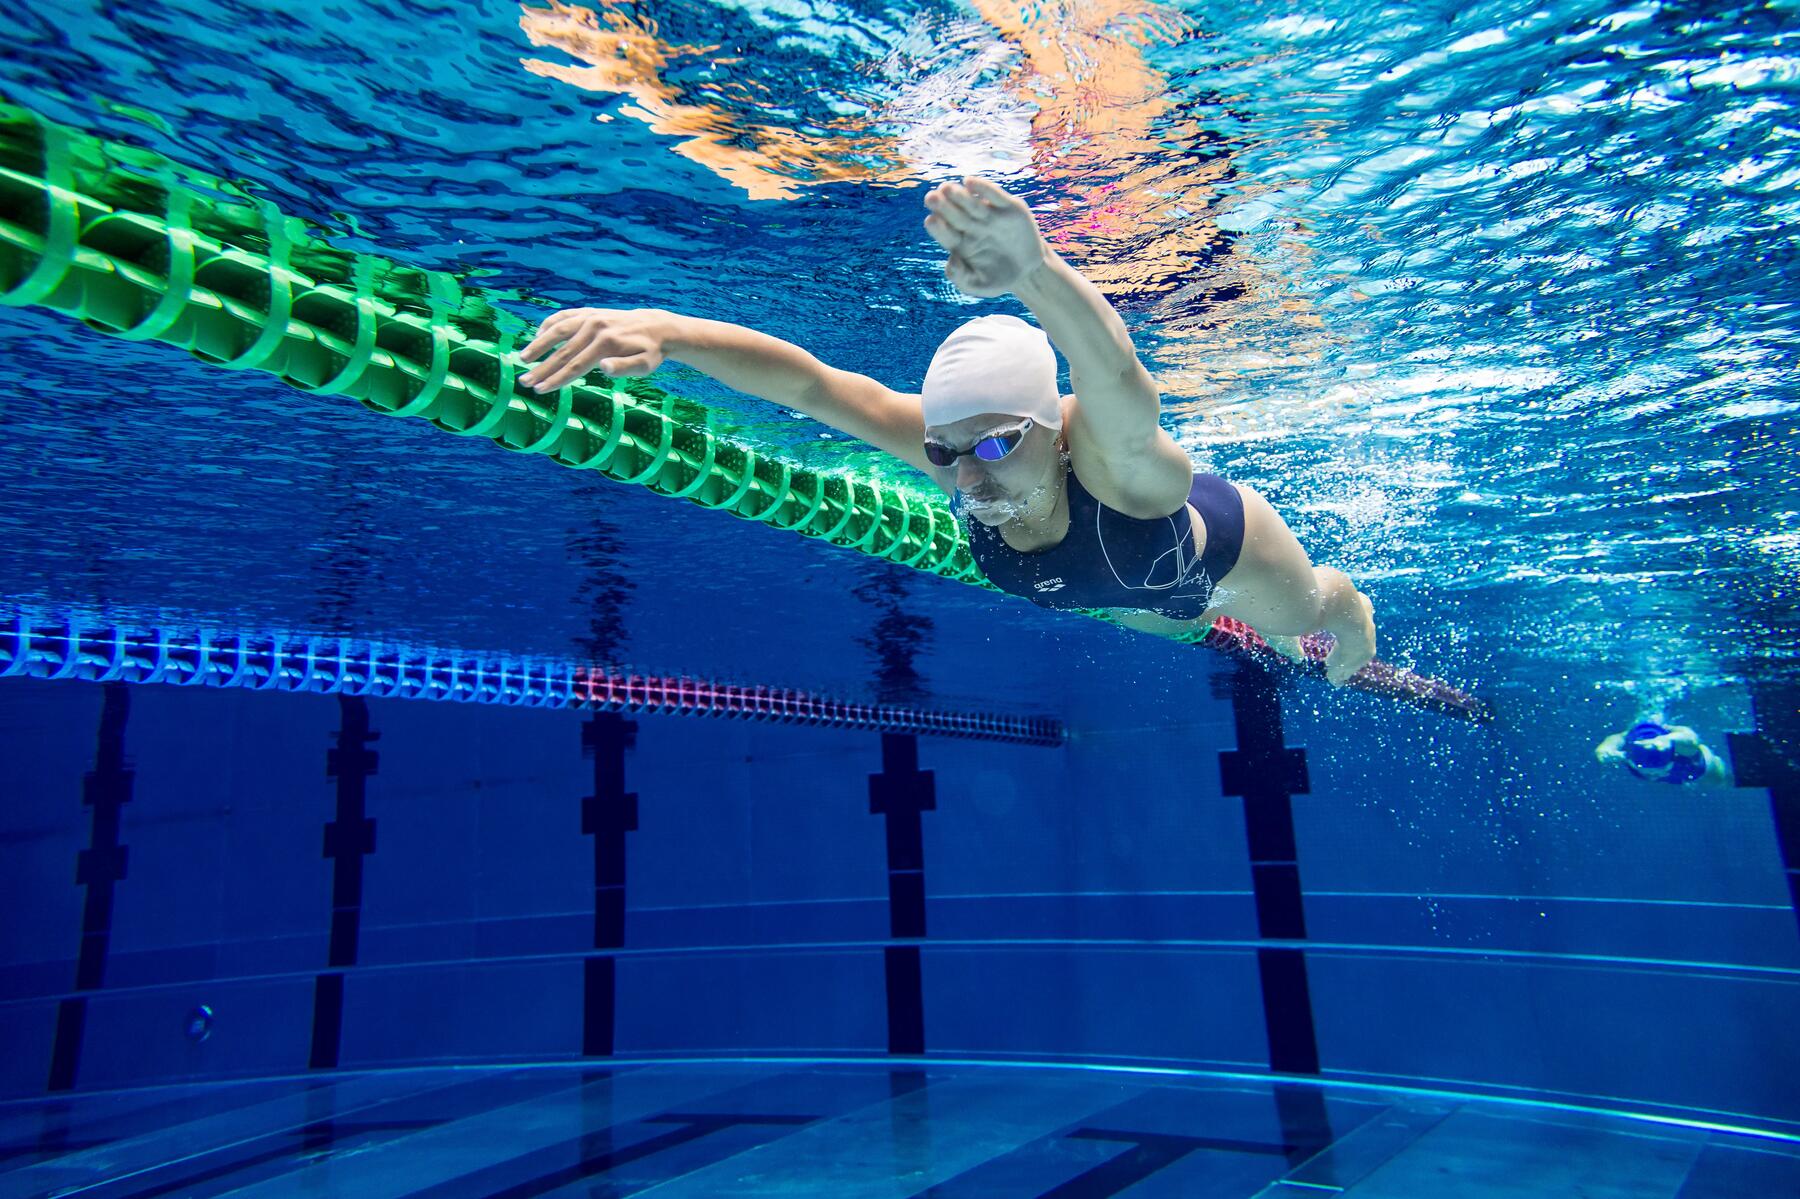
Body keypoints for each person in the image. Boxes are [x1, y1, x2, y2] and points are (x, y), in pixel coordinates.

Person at [518, 175, 1378, 684]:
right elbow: (814, 385)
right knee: (1176, 623)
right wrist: (669, 333)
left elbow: (1114, 374)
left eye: (999, 444)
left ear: (1052, 425)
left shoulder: (1116, 465)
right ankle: (1226, 623)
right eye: (945, 451)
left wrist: (1035, 271)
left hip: (1222, 552)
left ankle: (1349, 602)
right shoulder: (955, 454)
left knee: (1298, 615)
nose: (966, 477)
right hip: (1140, 589)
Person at [1595, 721, 1734, 787]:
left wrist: (1668, 739)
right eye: (1648, 773)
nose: (1653, 776)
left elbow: (1691, 739)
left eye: (1657, 771)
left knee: (1721, 780)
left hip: (1703, 769)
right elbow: (1614, 739)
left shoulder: (1680, 749)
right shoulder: (1631, 752)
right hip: (1681, 774)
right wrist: (1605, 751)